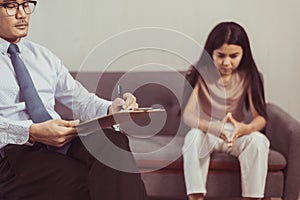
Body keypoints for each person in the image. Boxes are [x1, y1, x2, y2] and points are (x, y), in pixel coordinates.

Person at [0, 1, 148, 200]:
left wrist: (112, 109)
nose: (22, 14)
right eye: (10, 5)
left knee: (113, 143)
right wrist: (30, 132)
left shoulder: (42, 56)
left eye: (26, 4)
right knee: (89, 179)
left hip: (59, 141)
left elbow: (81, 100)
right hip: (12, 152)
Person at [182, 21, 270, 200]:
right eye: (220, 55)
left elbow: (260, 118)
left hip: (236, 133)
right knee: (192, 138)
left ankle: (252, 197)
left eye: (234, 56)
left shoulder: (248, 75)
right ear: (211, 53)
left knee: (259, 140)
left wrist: (245, 129)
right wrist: (211, 127)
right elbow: (188, 115)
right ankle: (195, 197)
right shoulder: (200, 74)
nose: (226, 62)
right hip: (208, 131)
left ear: (243, 54)